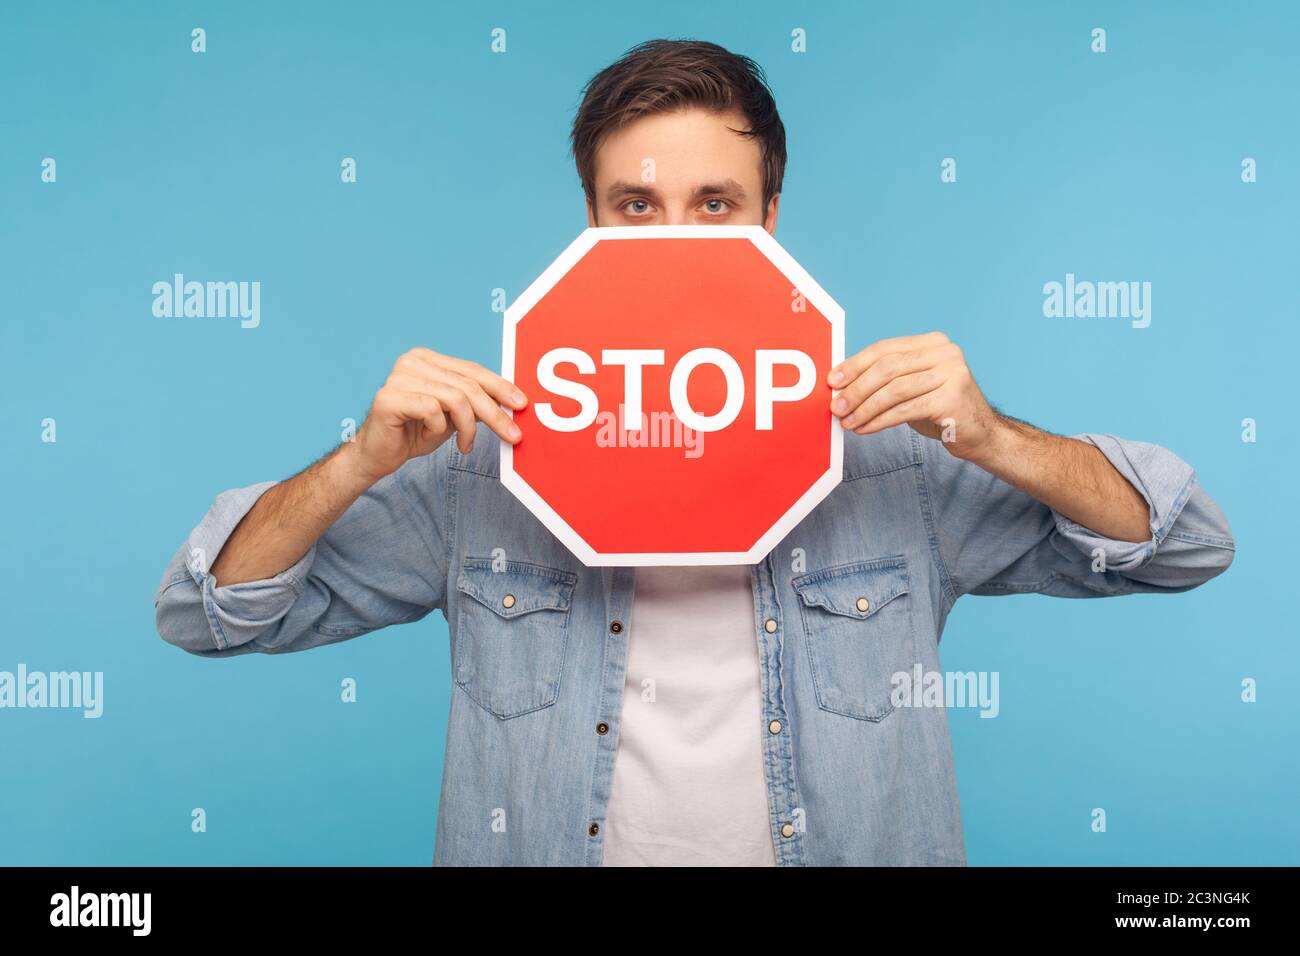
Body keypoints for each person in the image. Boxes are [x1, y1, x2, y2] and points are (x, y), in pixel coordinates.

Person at [154, 39, 1235, 866]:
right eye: (638, 206)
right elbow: (208, 614)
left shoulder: (891, 453)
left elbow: (1184, 542)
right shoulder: (480, 461)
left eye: (713, 204)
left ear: (770, 216)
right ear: (589, 218)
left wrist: (993, 436)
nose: (674, 238)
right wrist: (358, 461)